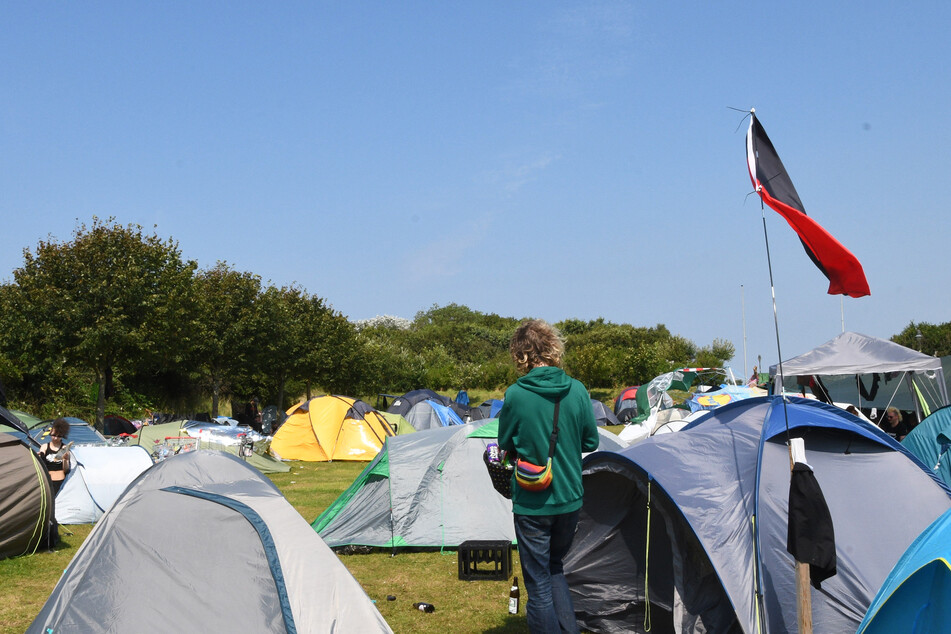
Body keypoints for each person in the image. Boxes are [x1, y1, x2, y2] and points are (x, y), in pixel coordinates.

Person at [498, 319, 599, 633]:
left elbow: (504, 444)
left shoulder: (516, 395)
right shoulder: (578, 390)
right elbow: (591, 442)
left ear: (521, 355)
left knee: (538, 581)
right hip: (569, 498)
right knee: (555, 568)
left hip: (533, 502)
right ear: (553, 348)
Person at [38, 418, 72, 496]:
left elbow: (66, 470)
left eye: (58, 436)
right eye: (53, 435)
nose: (55, 438)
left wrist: (65, 460)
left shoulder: (64, 448)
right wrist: (40, 456)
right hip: (48, 482)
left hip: (61, 482)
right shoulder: (45, 446)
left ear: (62, 436)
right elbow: (42, 460)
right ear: (50, 433)